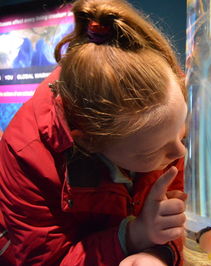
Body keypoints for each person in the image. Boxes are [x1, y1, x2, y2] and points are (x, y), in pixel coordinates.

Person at [0, 0, 188, 265]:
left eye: (182, 130)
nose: (180, 151)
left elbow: (169, 212)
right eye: (151, 151)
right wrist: (133, 236)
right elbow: (44, 259)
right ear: (89, 141)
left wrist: (159, 252)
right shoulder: (25, 153)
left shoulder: (159, 103)